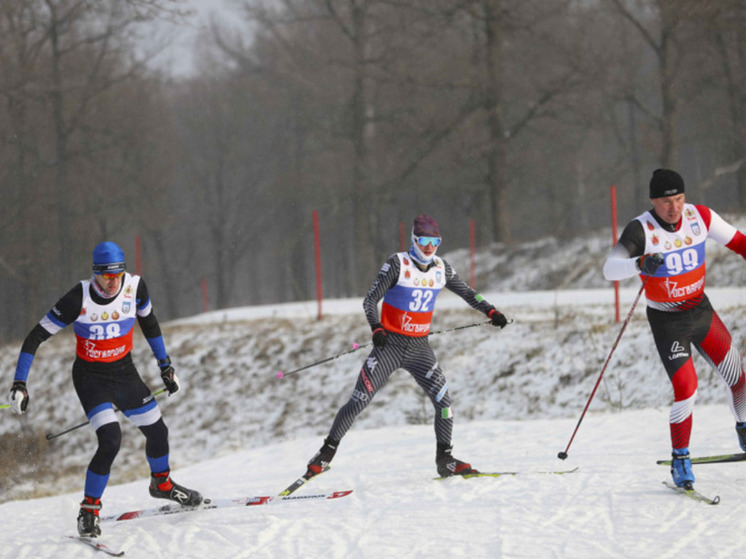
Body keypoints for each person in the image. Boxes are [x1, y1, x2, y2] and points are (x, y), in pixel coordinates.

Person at [8, 241, 202, 537]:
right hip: (90, 378)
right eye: (106, 276)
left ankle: (161, 484)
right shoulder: (78, 297)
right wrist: (19, 383)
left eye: (117, 275)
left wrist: (166, 366)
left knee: (158, 431)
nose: (113, 282)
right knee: (111, 439)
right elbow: (35, 336)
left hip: (124, 373)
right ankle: (89, 510)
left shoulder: (135, 288)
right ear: (95, 273)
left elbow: (149, 324)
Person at [304, 214, 509, 479]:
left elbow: (469, 293)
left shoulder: (441, 269)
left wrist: (491, 311)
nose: (428, 247)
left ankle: (444, 459)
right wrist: (376, 328)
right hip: (389, 347)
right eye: (423, 240)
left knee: (444, 404)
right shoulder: (397, 264)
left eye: (434, 241)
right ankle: (325, 454)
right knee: (359, 400)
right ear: (414, 240)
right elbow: (369, 300)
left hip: (420, 350)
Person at [603, 169, 746, 490]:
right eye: (666, 201)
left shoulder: (701, 217)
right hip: (668, 322)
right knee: (687, 389)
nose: (674, 207)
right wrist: (638, 264)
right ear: (654, 201)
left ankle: (744, 428)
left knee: (738, 377)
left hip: (701, 311)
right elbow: (609, 268)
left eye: (679, 199)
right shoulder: (641, 229)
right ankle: (681, 459)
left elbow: (739, 243)